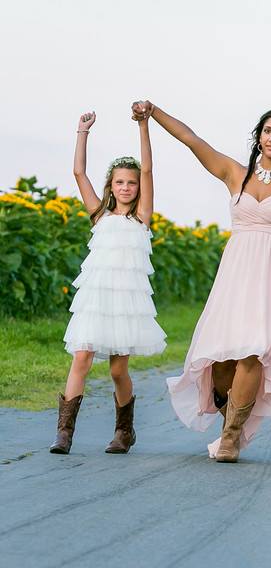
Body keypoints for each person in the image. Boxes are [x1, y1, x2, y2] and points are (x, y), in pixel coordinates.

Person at [138, 77, 271, 462]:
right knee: (222, 361)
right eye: (268, 131)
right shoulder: (234, 173)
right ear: (259, 137)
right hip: (237, 270)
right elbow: (192, 139)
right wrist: (153, 114)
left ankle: (230, 438)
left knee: (254, 352)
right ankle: (229, 420)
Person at [52, 109, 167, 455]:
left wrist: (143, 125)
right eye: (120, 182)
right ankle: (64, 433)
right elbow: (78, 172)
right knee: (82, 357)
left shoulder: (142, 218)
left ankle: (124, 430)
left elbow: (147, 168)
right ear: (111, 186)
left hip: (125, 303)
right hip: (96, 297)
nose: (127, 187)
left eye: (131, 183)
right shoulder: (99, 214)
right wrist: (82, 132)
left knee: (118, 370)